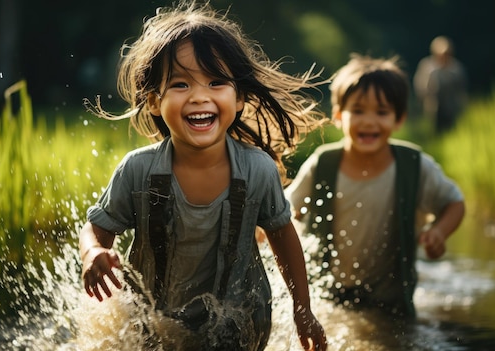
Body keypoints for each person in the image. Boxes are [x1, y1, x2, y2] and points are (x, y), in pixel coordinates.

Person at [78, 1, 328, 350]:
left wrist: (304, 310)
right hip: (153, 324)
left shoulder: (258, 170)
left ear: (239, 97)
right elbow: (97, 228)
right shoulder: (138, 170)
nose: (199, 96)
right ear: (153, 101)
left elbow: (282, 235)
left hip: (241, 324)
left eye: (215, 82)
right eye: (180, 84)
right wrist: (92, 253)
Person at [285, 53, 465, 319]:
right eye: (357, 111)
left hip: (392, 300)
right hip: (329, 294)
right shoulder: (323, 164)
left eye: (381, 112)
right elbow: (285, 211)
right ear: (338, 115)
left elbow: (454, 203)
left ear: (399, 118)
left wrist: (438, 232)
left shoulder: (414, 165)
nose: (369, 121)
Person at [413, 36, 468, 133]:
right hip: (433, 106)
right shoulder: (427, 67)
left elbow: (461, 88)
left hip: (451, 106)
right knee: (434, 129)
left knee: (451, 129)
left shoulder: (456, 68)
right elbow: (420, 85)